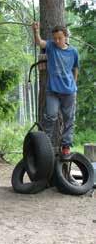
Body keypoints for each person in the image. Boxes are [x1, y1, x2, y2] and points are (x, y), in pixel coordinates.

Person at [32, 22, 79, 157]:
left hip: (69, 91)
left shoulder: (73, 52)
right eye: (55, 38)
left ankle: (66, 146)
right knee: (51, 116)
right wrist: (35, 31)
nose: (57, 40)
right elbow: (39, 42)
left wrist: (74, 85)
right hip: (53, 90)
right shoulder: (51, 47)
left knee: (69, 118)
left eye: (60, 38)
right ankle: (45, 145)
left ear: (65, 37)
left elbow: (75, 68)